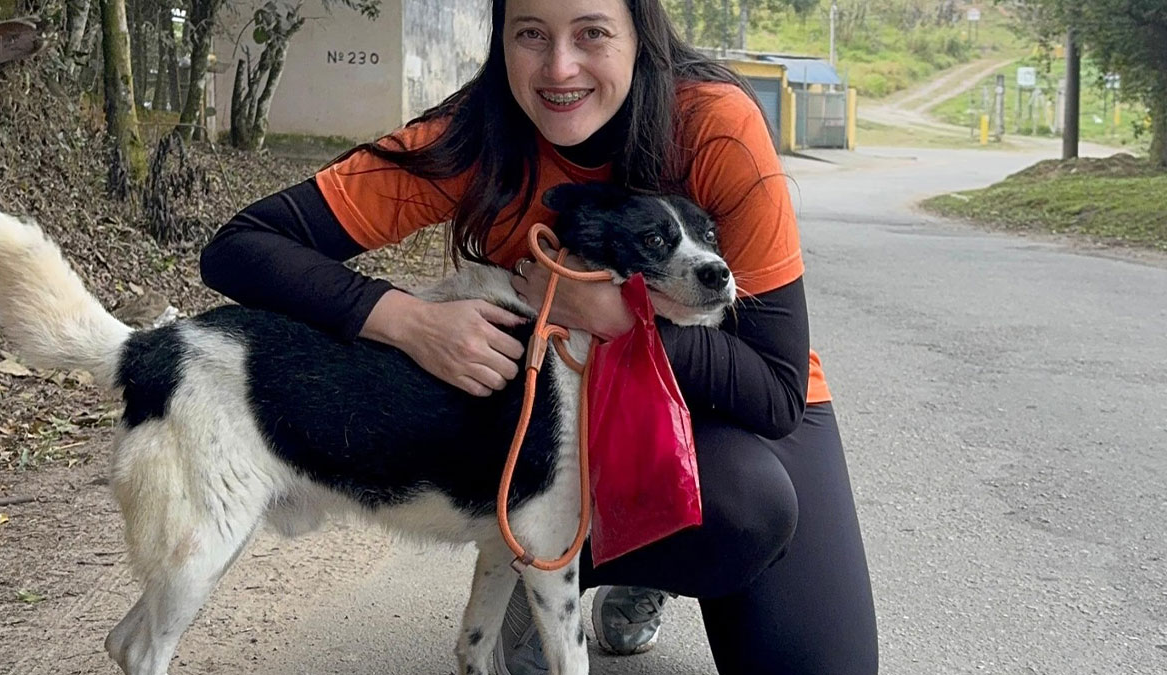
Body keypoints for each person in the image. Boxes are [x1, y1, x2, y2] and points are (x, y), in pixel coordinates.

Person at [199, 0, 878, 672]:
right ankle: (550, 561)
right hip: (570, 413)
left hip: (724, 402)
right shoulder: (473, 137)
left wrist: (617, 317)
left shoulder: (713, 123)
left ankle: (630, 564)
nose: (560, 66)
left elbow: (776, 390)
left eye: (592, 33)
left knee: (752, 524)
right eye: (531, 34)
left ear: (639, 33)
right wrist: (406, 320)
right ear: (501, 39)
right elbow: (242, 246)